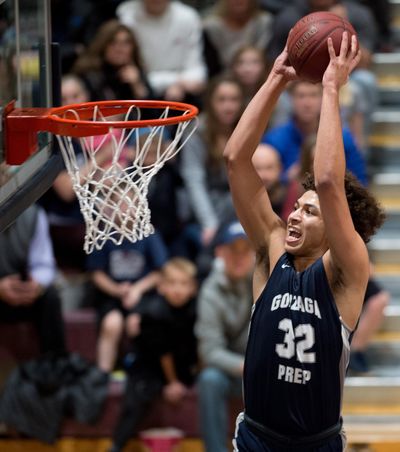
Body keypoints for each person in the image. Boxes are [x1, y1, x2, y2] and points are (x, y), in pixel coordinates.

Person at [223, 31, 385, 450]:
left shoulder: (345, 271)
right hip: (257, 438)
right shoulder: (272, 247)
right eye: (297, 206)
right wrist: (276, 79)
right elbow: (235, 158)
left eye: (309, 212)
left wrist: (331, 88)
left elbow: (330, 180)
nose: (293, 214)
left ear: (335, 226)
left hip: (317, 443)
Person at [108, 257, 198, 452]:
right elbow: (162, 352)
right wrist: (172, 383)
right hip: (150, 365)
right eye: (172, 283)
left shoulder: (196, 309)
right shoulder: (152, 312)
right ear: (161, 287)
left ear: (193, 288)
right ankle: (117, 444)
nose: (178, 289)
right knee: (138, 392)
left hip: (182, 365)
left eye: (184, 284)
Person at [86, 200, 169, 373]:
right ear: (109, 207)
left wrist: (137, 289)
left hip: (143, 294)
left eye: (129, 204)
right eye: (119, 204)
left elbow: (160, 272)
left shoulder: (148, 233)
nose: (124, 209)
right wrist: (117, 290)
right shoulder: (101, 233)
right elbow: (96, 274)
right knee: (112, 323)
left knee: (136, 323)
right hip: (111, 295)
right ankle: (103, 375)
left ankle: (139, 373)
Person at [195, 220, 255, 452]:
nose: (239, 257)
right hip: (232, 372)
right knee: (209, 379)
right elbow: (209, 352)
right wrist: (248, 366)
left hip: (259, 369)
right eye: (233, 250)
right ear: (221, 252)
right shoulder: (210, 291)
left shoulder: (265, 282)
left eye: (245, 250)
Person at [180, 75, 245, 251]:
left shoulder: (246, 126)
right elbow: (194, 180)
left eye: (234, 100)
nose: (228, 106)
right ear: (211, 102)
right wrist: (209, 223)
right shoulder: (197, 129)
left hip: (237, 203)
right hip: (204, 207)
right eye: (221, 100)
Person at [261, 79, 368, 185]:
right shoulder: (274, 139)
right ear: (291, 99)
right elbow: (265, 182)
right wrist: (287, 179)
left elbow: (360, 181)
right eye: (301, 96)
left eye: (313, 95)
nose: (307, 103)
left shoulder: (342, 138)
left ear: (323, 98)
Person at [0, 197, 66, 357]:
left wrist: (35, 285)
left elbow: (43, 263)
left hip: (21, 290)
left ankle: (53, 365)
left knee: (50, 296)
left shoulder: (32, 213)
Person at [116, 0, 207, 105]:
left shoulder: (188, 17)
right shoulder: (126, 15)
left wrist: (176, 84)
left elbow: (198, 75)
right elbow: (127, 71)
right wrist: (177, 81)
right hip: (137, 95)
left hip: (182, 95)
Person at [72, 19, 152, 102]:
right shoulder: (89, 75)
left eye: (126, 43)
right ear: (103, 46)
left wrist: (137, 86)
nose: (120, 49)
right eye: (113, 43)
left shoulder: (137, 72)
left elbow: (157, 113)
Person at [202, 0, 273, 78]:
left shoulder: (263, 21)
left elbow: (261, 55)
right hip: (224, 76)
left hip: (259, 75)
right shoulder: (212, 26)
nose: (238, 1)